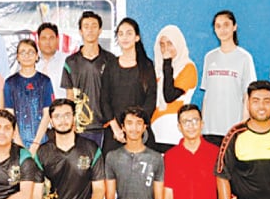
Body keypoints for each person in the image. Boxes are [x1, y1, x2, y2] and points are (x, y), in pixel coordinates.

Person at [100, 18, 156, 154]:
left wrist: (136, 128)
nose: (125, 37)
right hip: (115, 134)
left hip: (140, 133)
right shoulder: (110, 65)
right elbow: (104, 100)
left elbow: (151, 99)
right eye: (121, 34)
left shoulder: (147, 65)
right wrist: (116, 128)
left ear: (137, 37)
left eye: (129, 33)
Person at [201, 10, 257, 146]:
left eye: (226, 25)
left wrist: (243, 125)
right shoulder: (209, 57)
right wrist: (202, 123)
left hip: (232, 128)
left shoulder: (244, 57)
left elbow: (248, 96)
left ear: (234, 27)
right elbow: (206, 94)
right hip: (209, 128)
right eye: (218, 26)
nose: (222, 30)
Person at [61, 10, 115, 148]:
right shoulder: (71, 62)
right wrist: (70, 124)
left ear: (100, 30)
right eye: (86, 26)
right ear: (80, 31)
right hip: (80, 128)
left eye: (94, 26)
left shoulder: (110, 60)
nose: (90, 30)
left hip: (105, 125)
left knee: (102, 168)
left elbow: (116, 94)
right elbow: (69, 96)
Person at [151, 25, 197, 152]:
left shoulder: (188, 68)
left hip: (175, 130)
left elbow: (169, 96)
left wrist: (167, 63)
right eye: (162, 44)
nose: (166, 49)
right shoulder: (157, 71)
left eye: (170, 43)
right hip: (156, 128)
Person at [3, 39, 53, 149]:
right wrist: (19, 143)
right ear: (18, 57)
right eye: (23, 52)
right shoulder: (10, 83)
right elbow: (9, 116)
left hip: (41, 143)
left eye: (31, 52)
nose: (27, 55)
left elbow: (47, 113)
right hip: (16, 143)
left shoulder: (45, 81)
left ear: (36, 56)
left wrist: (36, 143)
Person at [36, 22, 67, 100]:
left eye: (51, 38)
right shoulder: (30, 60)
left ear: (57, 40)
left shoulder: (67, 61)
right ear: (38, 41)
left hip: (60, 109)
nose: (47, 42)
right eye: (43, 38)